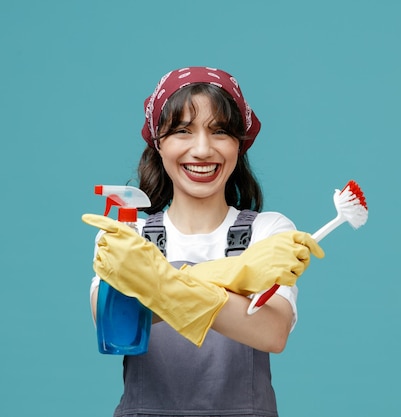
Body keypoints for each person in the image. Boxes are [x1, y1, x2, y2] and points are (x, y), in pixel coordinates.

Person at [83, 66, 324, 417]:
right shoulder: (127, 233)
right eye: (182, 130)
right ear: (159, 143)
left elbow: (273, 332)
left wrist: (155, 281)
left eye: (220, 132)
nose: (202, 149)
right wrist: (239, 274)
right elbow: (113, 323)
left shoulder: (268, 231)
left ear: (238, 145)